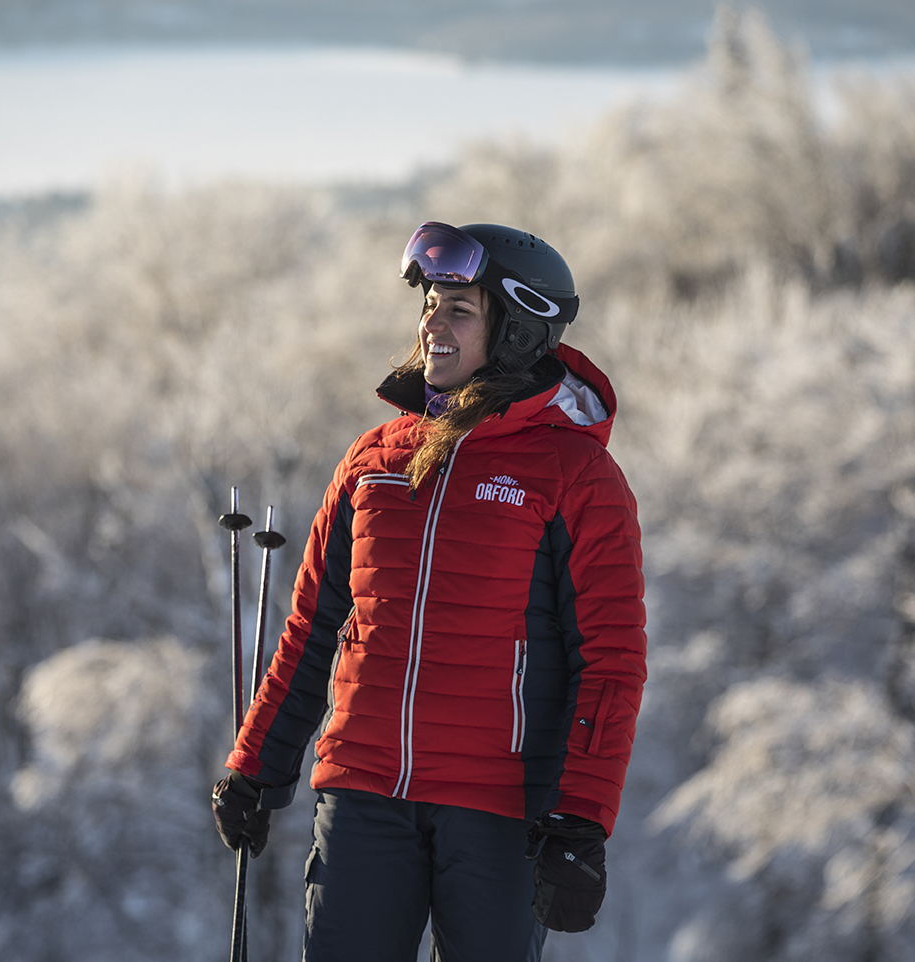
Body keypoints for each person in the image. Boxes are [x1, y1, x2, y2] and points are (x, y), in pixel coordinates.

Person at [212, 221, 646, 962]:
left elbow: (610, 663)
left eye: (459, 310)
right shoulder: (374, 460)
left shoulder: (574, 474)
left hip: (497, 812)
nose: (430, 325)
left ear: (515, 331)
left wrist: (580, 819)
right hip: (362, 798)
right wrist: (255, 764)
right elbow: (314, 626)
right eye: (430, 305)